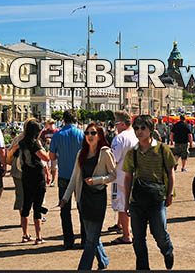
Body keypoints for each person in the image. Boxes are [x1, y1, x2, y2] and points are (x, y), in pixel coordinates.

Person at [60, 123, 117, 270]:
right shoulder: (81, 153)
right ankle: (103, 261)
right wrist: (65, 198)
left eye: (93, 133)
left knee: (90, 240)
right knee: (92, 235)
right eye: (87, 133)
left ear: (99, 136)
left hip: (98, 197)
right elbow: (74, 178)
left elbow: (113, 175)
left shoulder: (105, 153)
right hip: (83, 198)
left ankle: (83, 268)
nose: (89, 136)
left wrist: (96, 181)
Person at [123, 115, 176, 270]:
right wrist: (126, 201)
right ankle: (143, 268)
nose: (139, 131)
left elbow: (170, 171)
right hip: (137, 200)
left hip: (157, 198)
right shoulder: (132, 152)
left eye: (143, 128)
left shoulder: (162, 149)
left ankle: (167, 251)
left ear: (151, 130)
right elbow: (127, 177)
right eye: (136, 128)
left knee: (159, 233)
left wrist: (170, 193)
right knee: (138, 238)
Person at [49, 110, 85, 250]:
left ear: (63, 120)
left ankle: (68, 240)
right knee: (82, 209)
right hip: (79, 176)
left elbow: (51, 156)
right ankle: (84, 239)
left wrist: (60, 154)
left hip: (64, 175)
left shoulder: (57, 135)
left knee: (65, 209)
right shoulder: (82, 134)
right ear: (76, 120)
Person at [15, 120, 53, 245]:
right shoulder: (34, 144)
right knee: (37, 207)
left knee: (26, 206)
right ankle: (39, 237)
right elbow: (46, 158)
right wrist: (49, 149)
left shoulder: (21, 142)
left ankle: (25, 235)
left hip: (25, 175)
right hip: (37, 176)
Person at [108, 111, 137, 245]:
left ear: (123, 124)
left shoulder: (120, 138)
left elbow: (113, 159)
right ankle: (125, 228)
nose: (115, 127)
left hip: (121, 176)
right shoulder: (137, 135)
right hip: (135, 175)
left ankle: (126, 234)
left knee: (122, 205)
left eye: (117, 124)